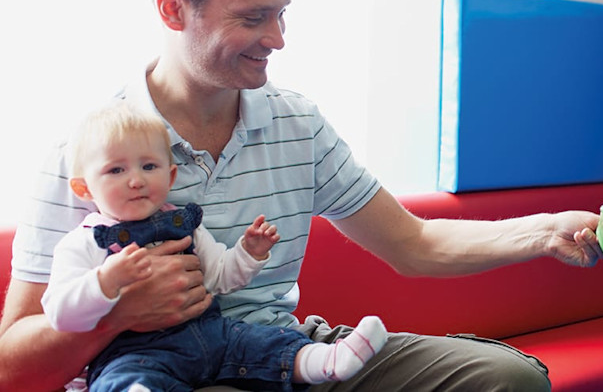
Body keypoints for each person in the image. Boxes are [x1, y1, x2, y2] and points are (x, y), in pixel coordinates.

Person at [0, 0, 601, 390]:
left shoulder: (297, 123)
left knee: (507, 379)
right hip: (161, 372)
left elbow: (414, 243)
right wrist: (117, 313)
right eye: (253, 18)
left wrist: (545, 231)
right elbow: (13, 365)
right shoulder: (89, 156)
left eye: (281, 15)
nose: (278, 39)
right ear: (172, 9)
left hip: (285, 352)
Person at [41, 102, 388, 391]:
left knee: (263, 342)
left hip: (212, 335)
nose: (136, 180)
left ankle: (326, 360)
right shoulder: (84, 242)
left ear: (170, 176)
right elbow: (60, 313)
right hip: (136, 353)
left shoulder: (184, 224)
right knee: (123, 377)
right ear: (84, 189)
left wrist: (249, 253)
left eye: (149, 166)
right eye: (116, 170)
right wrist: (104, 283)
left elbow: (220, 277)